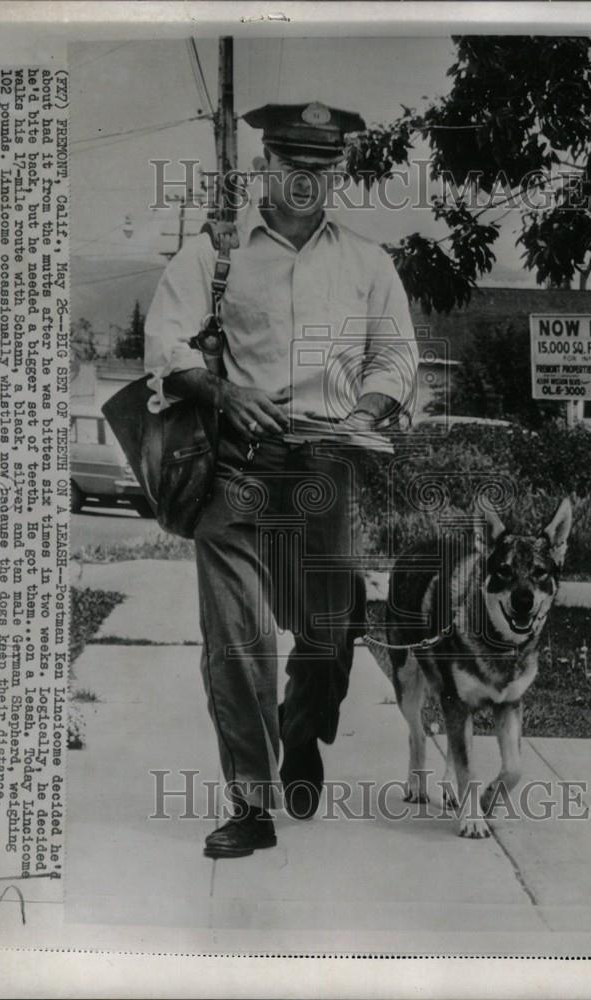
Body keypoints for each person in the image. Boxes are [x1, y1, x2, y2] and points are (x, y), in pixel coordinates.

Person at [144, 102, 417, 858]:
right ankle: (250, 806)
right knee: (236, 643)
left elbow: (396, 355)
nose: (307, 182)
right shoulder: (216, 256)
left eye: (322, 169)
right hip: (232, 472)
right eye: (293, 166)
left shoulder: (367, 262)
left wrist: (365, 409)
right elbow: (164, 341)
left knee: (328, 639)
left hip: (325, 470)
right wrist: (222, 391)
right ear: (264, 165)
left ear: (337, 174)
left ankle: (303, 730)